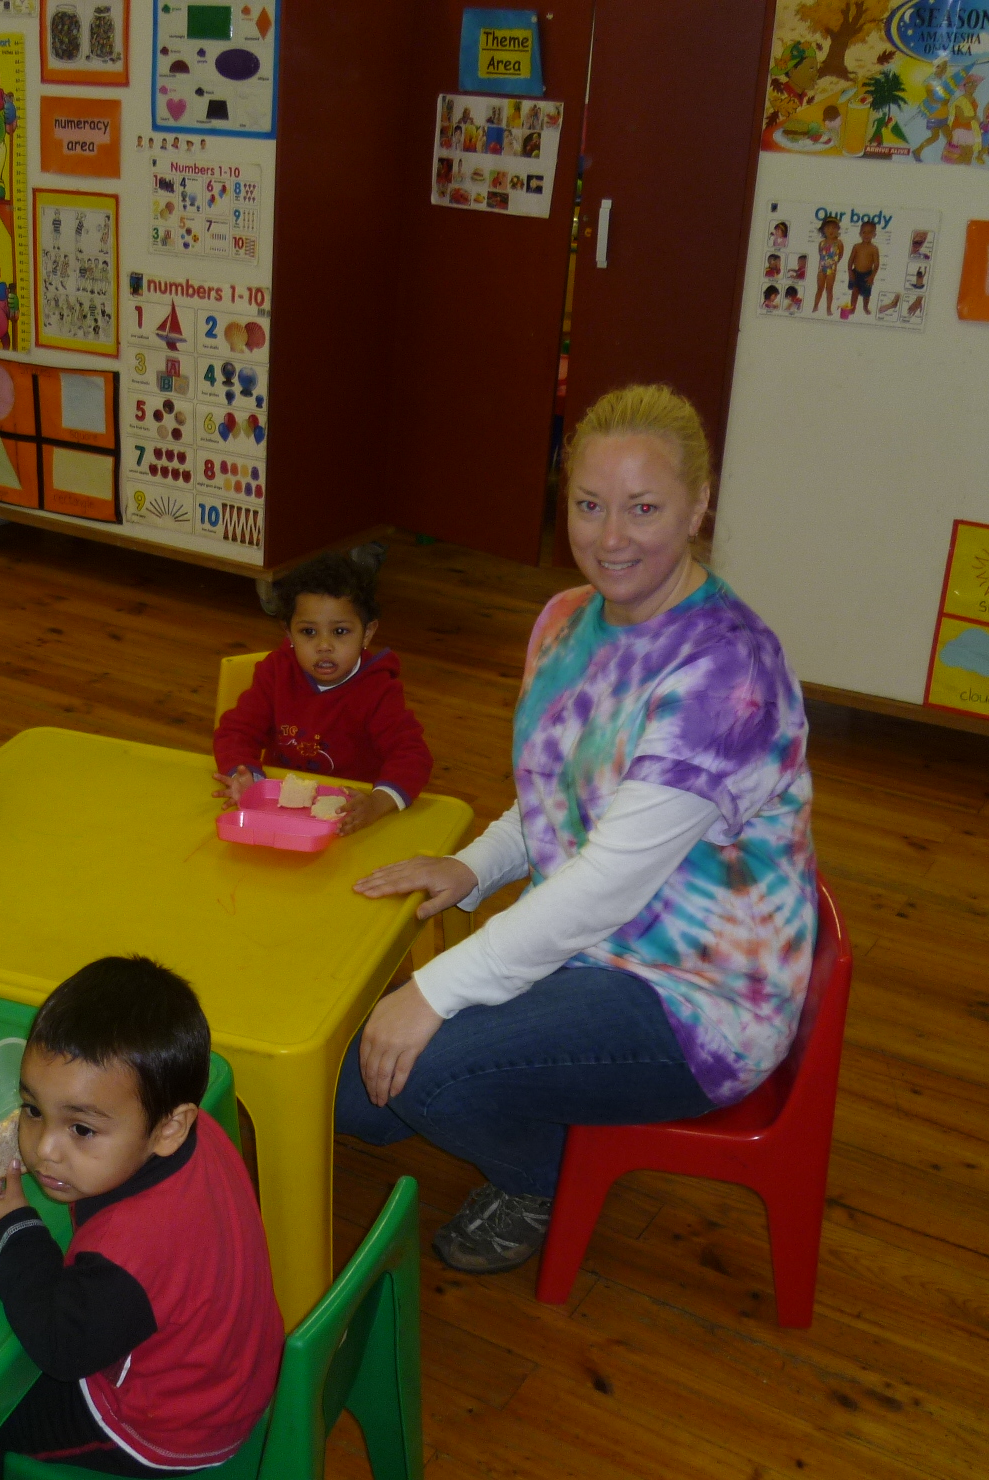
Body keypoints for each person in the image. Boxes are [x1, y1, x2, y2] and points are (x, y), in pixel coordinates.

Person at [339, 383, 817, 1275]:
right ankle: (542, 1092)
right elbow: (558, 795)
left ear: (699, 505)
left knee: (428, 1070)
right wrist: (472, 867)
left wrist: (436, 991)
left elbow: (606, 884)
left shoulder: (726, 669)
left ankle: (541, 1176)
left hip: (696, 995)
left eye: (644, 509)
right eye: (589, 506)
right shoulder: (567, 619)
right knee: (357, 1101)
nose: (610, 538)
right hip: (591, 945)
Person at [0, 958, 283, 1480]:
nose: (44, 1148)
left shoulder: (130, 1253)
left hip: (166, 1430)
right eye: (32, 1109)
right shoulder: (191, 1132)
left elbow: (61, 1345)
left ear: (167, 1127)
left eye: (82, 1129)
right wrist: (76, 1141)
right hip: (229, 1375)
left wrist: (12, 1223)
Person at [212, 553, 433, 836]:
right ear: (289, 634)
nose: (324, 645)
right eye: (308, 632)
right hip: (282, 815)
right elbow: (237, 731)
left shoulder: (377, 690)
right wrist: (245, 776)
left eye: (340, 631)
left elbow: (413, 755)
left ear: (367, 634)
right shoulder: (275, 673)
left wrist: (378, 803)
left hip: (352, 820)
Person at [846, 220, 881, 315]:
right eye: (864, 232)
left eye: (870, 232)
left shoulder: (874, 249)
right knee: (855, 291)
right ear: (860, 234)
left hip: (867, 275)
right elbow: (850, 260)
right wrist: (850, 272)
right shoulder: (856, 247)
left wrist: (872, 276)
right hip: (855, 273)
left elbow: (877, 264)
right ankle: (852, 307)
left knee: (866, 294)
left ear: (874, 234)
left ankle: (865, 307)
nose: (866, 235)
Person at [811, 217, 842, 314]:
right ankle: (815, 306)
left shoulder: (839, 243)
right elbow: (821, 254)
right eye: (828, 228)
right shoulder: (822, 243)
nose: (831, 231)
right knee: (819, 288)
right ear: (823, 230)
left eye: (834, 228)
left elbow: (840, 255)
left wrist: (833, 264)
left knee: (829, 289)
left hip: (831, 270)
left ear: (838, 229)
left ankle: (828, 308)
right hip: (821, 269)